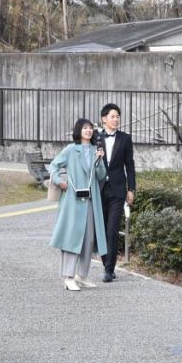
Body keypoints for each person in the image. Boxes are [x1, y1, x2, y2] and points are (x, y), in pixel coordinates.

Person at [48, 118, 108, 291]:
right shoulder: (71, 149)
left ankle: (82, 275)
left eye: (90, 128)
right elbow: (53, 166)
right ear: (79, 130)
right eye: (85, 128)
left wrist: (100, 160)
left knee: (89, 238)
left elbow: (101, 175)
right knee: (72, 237)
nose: (88, 130)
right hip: (73, 200)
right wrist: (60, 181)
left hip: (91, 199)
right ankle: (68, 276)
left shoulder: (95, 149)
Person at [98, 103, 136, 283]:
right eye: (113, 116)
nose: (116, 119)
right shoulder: (95, 138)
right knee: (101, 230)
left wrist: (131, 189)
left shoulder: (125, 139)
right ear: (104, 118)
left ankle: (109, 269)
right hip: (99, 190)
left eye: (118, 116)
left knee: (112, 230)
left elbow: (130, 165)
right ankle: (106, 262)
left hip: (118, 191)